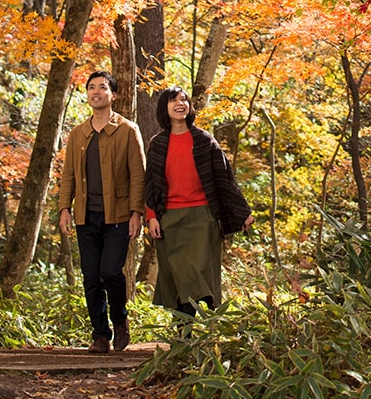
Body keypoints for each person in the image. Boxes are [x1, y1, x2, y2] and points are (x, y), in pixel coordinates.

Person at [144, 87, 254, 318]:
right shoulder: (158, 143)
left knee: (194, 274)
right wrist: (151, 216)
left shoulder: (204, 140)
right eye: (173, 100)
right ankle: (182, 337)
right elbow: (150, 183)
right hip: (169, 219)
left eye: (183, 99)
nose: (179, 104)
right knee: (175, 277)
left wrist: (242, 212)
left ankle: (189, 335)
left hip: (202, 218)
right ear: (165, 107)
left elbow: (225, 178)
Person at [57, 71, 146, 353]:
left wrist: (137, 212)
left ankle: (120, 321)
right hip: (86, 215)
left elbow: (138, 175)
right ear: (87, 94)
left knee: (111, 273)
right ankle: (100, 335)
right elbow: (68, 175)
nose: (96, 92)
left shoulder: (127, 130)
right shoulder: (78, 134)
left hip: (118, 215)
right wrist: (64, 208)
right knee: (91, 277)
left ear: (113, 95)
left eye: (103, 87)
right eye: (92, 87)